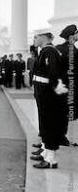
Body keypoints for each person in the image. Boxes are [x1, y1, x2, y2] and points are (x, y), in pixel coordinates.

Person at [30, 32, 68, 169]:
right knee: (45, 125)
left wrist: (52, 94)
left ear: (43, 37)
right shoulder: (46, 51)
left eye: (35, 37)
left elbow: (53, 74)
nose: (34, 39)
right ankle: (46, 154)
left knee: (49, 126)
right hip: (44, 95)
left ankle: (51, 160)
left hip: (48, 96)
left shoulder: (49, 52)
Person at [55, 24, 78, 145]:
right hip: (69, 87)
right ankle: (60, 137)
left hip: (59, 86)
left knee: (59, 113)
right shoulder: (73, 51)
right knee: (65, 113)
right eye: (76, 33)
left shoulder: (58, 48)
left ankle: (58, 136)